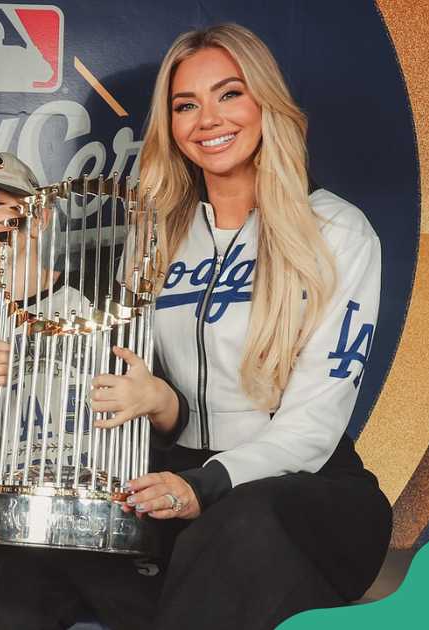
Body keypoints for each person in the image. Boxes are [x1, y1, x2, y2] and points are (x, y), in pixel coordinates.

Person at [91, 22, 392, 629]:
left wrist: (207, 484)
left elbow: (314, 426)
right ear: (171, 126)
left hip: (305, 490)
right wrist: (162, 408)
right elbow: (163, 400)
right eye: (186, 104)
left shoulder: (335, 230)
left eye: (229, 94)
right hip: (182, 478)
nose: (208, 118)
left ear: (265, 103)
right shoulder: (155, 238)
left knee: (238, 526)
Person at [0, 151, 176, 630]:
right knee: (17, 615)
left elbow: (166, 421)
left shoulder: (103, 300)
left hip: (106, 514)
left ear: (39, 219)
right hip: (10, 530)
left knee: (154, 612)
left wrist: (156, 399)